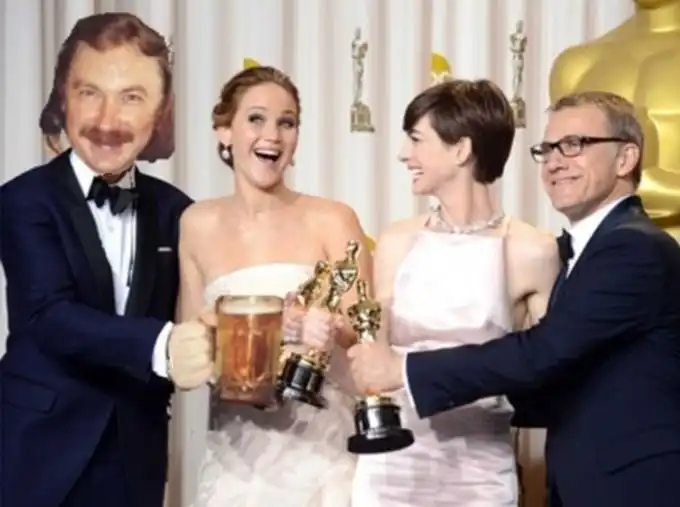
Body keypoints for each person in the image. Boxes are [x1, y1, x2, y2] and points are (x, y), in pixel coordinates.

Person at [347, 90, 680, 507]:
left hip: (630, 485)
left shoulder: (631, 248)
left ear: (626, 158)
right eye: (547, 149)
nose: (555, 161)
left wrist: (405, 369)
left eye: (574, 145)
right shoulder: (589, 249)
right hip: (411, 464)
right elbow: (553, 379)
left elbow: (542, 353)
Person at [0, 13, 213, 507]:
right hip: (36, 454)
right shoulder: (22, 200)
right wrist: (162, 345)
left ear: (160, 110)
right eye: (89, 92)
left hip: (135, 459)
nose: (106, 120)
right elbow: (48, 317)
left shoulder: (178, 211)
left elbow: (204, 308)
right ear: (63, 98)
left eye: (131, 97)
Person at [349, 79, 559, 507]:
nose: (404, 154)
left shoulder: (532, 249)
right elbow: (373, 354)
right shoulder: (396, 241)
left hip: (480, 473)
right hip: (394, 467)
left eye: (416, 140)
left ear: (461, 150)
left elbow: (550, 370)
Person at [176, 65, 371, 507]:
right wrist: (259, 334)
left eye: (287, 123)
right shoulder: (196, 224)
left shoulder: (333, 219)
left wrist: (322, 327)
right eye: (256, 119)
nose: (273, 136)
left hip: (323, 457)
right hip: (235, 462)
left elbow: (366, 337)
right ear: (224, 131)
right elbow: (192, 348)